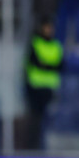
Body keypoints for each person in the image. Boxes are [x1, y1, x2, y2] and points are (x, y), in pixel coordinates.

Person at [24, 18, 64, 150]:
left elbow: (61, 66)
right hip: (35, 89)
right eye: (46, 27)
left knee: (49, 120)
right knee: (35, 119)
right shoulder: (35, 43)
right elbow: (35, 63)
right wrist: (50, 65)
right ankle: (32, 147)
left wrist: (45, 64)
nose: (49, 30)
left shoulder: (56, 45)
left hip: (50, 89)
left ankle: (45, 146)